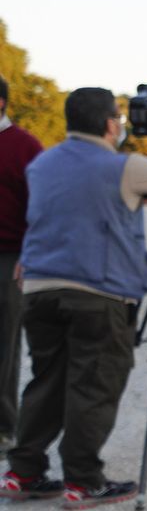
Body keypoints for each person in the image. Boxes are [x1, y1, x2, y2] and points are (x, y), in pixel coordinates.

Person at [1, 90, 147, 506]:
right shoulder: (124, 166)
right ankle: (84, 480)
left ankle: (23, 471)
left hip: (40, 288)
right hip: (96, 291)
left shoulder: (43, 162)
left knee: (47, 380)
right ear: (111, 124)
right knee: (94, 383)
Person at [0, 75, 45, 452]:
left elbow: (42, 206)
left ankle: (3, 429)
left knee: (4, 344)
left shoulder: (25, 145)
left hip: (9, 258)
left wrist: (31, 256)